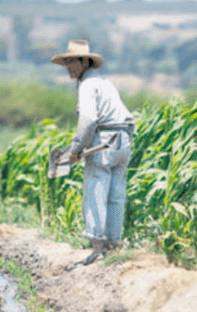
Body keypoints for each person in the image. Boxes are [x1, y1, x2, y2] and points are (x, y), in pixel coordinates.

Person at [51, 39, 134, 265]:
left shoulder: (87, 85)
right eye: (65, 62)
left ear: (83, 61)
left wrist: (76, 149)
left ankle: (97, 248)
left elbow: (88, 121)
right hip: (123, 140)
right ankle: (114, 245)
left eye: (70, 62)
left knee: (96, 192)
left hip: (104, 140)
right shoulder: (104, 82)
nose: (67, 67)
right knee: (116, 196)